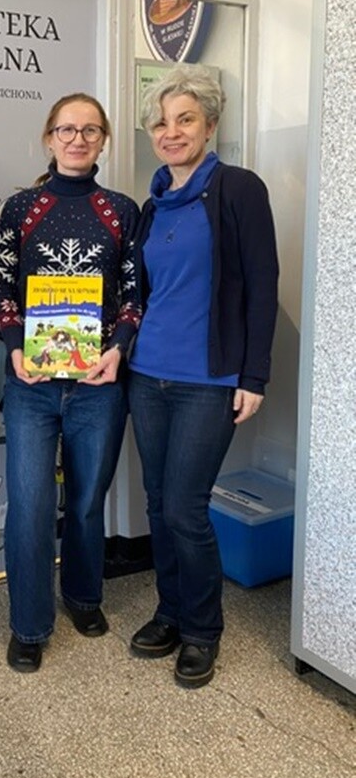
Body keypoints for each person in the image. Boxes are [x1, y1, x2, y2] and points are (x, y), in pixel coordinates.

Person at [128, 63, 278, 688]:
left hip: (209, 380)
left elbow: (263, 285)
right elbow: (140, 290)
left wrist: (255, 377)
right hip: (146, 374)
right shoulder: (152, 203)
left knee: (187, 507)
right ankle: (168, 610)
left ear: (210, 124)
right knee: (159, 505)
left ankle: (202, 629)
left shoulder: (239, 189)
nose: (171, 131)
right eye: (161, 122)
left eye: (184, 119)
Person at [0, 93, 141, 672]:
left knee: (83, 502)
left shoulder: (121, 210)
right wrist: (13, 349)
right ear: (48, 138)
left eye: (90, 130)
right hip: (31, 381)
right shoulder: (21, 207)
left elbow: (133, 295)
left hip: (99, 382)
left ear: (103, 140)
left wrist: (118, 350)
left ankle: (83, 595)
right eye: (66, 129)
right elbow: (2, 289)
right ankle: (28, 624)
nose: (78, 139)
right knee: (29, 504)